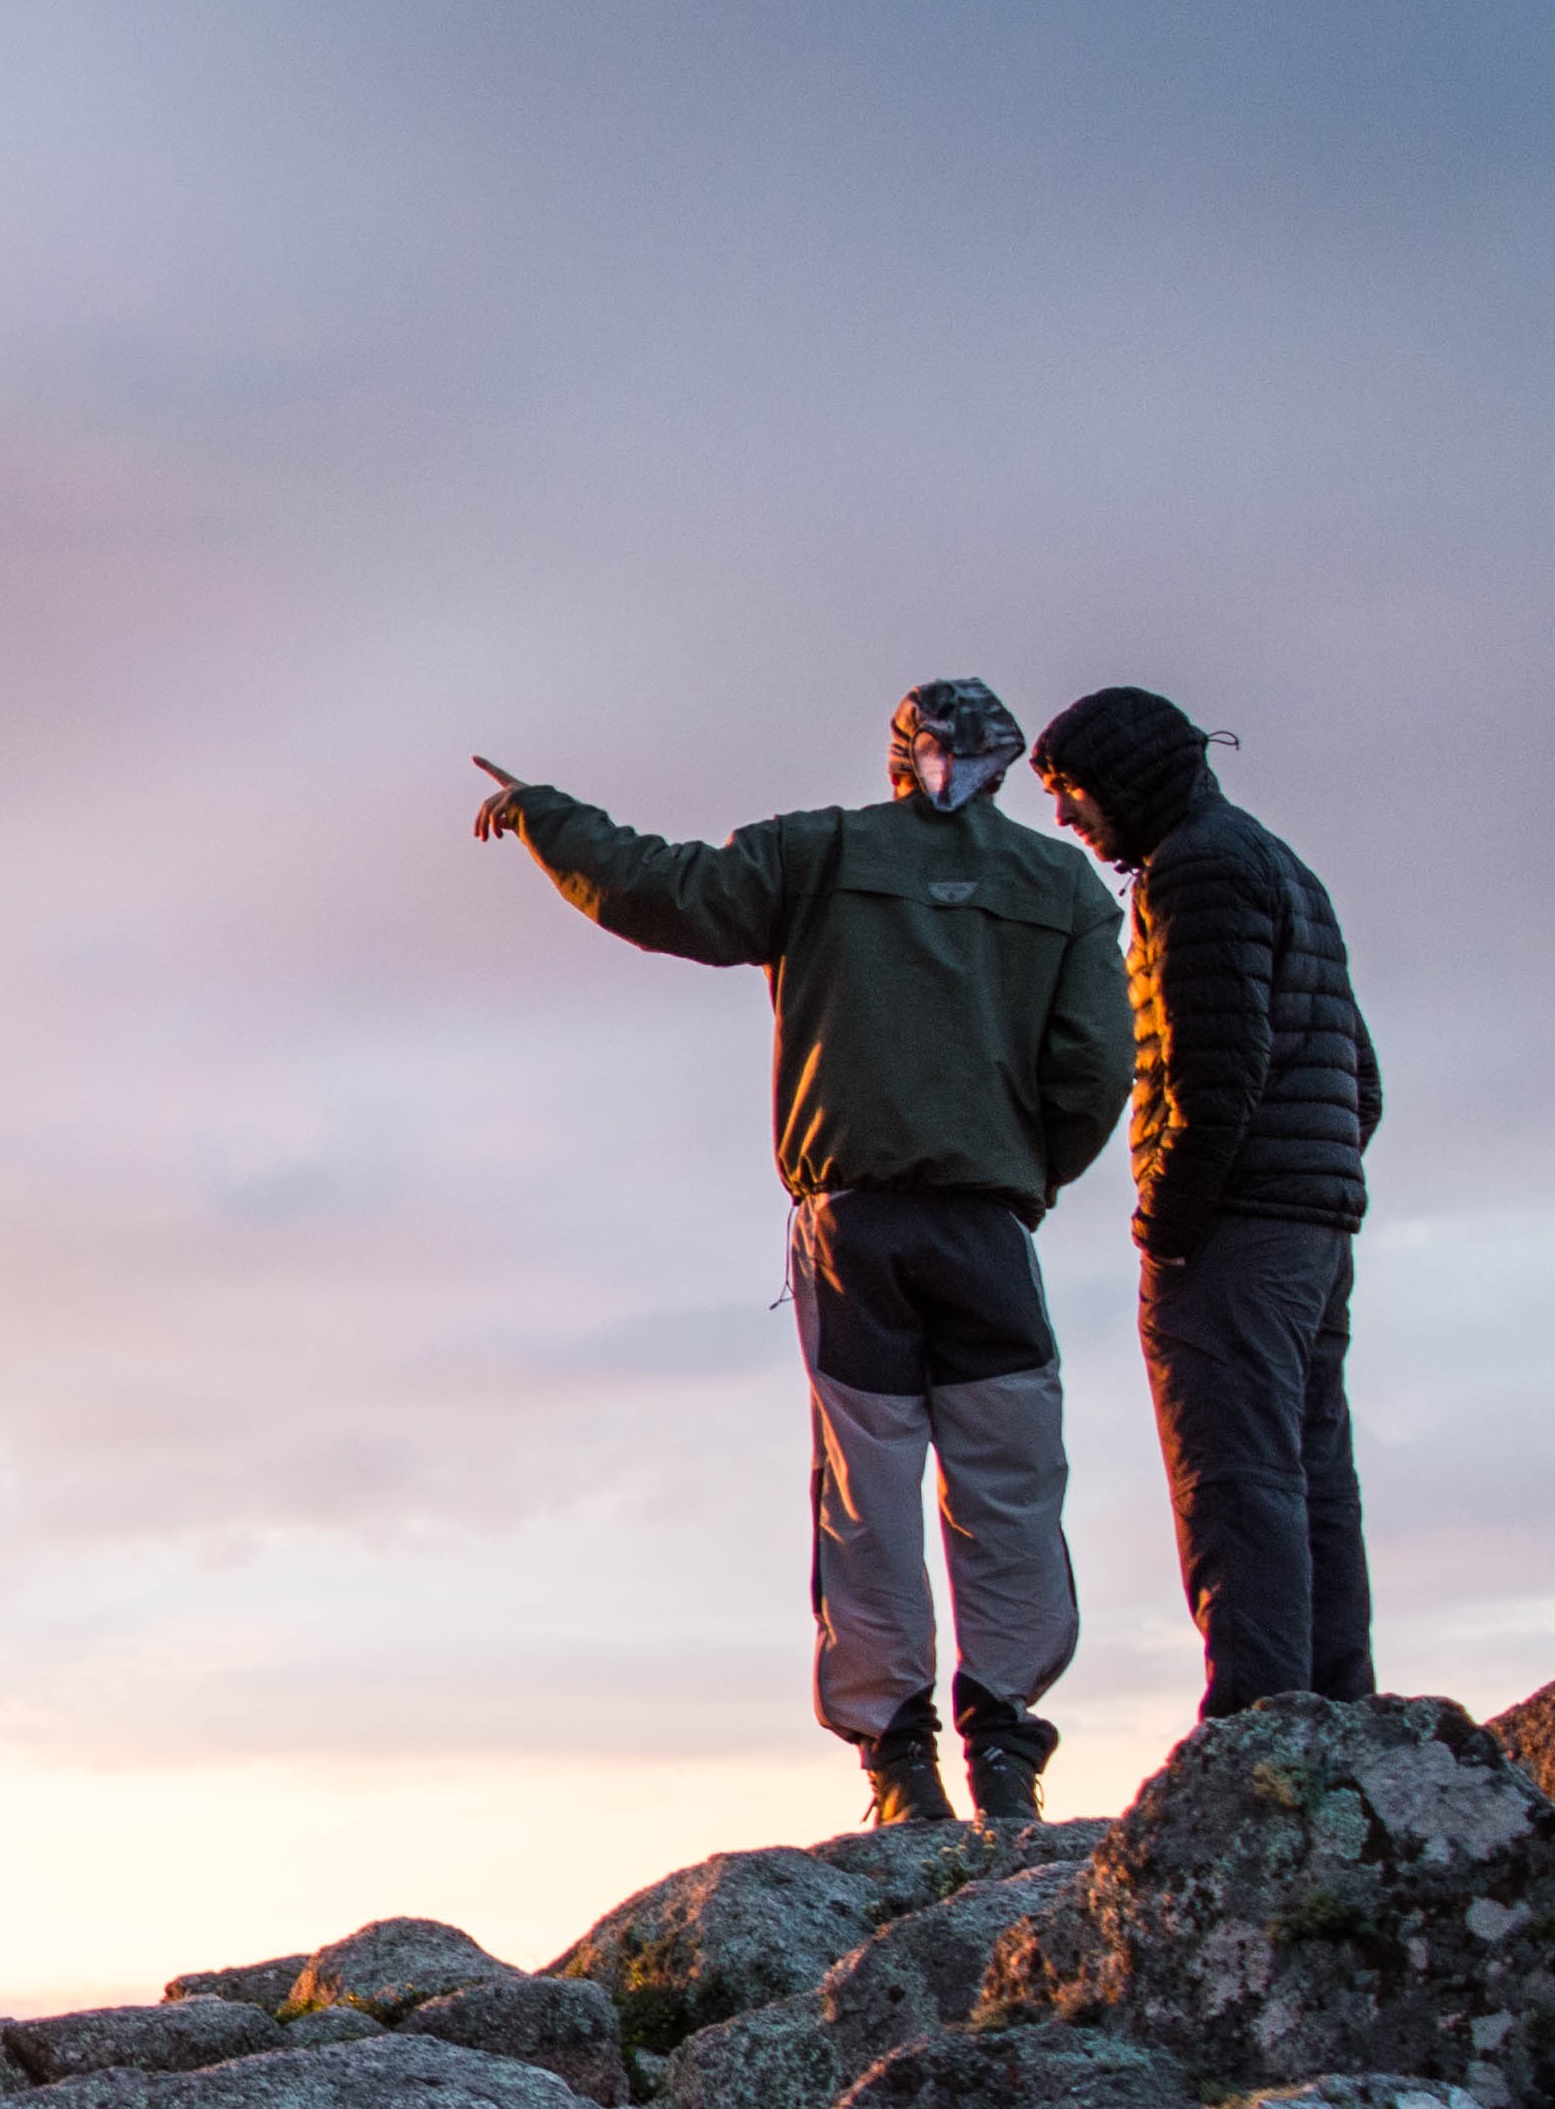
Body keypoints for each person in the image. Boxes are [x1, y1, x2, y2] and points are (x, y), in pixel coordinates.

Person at [472, 682, 1129, 1829]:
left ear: (896, 757)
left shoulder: (818, 852)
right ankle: (1009, 1750)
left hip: (850, 1221)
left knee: (866, 1485)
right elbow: (1093, 1069)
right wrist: (1026, 1175)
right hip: (985, 1224)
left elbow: (659, 889)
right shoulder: (1061, 885)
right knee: (1010, 1482)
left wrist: (543, 814)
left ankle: (899, 1762)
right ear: (1007, 762)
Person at [1029, 686, 1382, 1717]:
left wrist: (1166, 1225)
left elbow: (1210, 1075)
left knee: (1236, 1483)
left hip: (1232, 1236)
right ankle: (1338, 1720)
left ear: (1128, 781)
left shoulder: (1199, 870)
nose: (1063, 818)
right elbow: (1360, 1078)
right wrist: (1316, 1185)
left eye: (1072, 791)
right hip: (1312, 1226)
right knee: (1314, 1475)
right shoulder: (1277, 861)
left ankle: (1258, 1731)